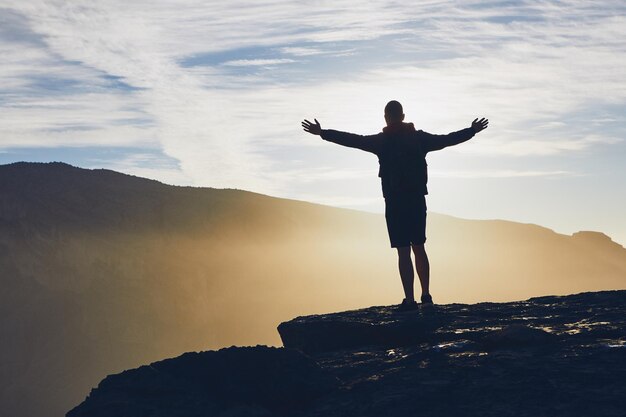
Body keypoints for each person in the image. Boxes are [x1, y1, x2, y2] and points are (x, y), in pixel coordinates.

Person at [302, 100, 488, 311]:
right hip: (417, 199)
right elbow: (446, 140)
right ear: (403, 115)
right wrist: (471, 131)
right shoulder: (419, 139)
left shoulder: (382, 142)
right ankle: (426, 296)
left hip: (394, 202)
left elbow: (352, 140)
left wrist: (323, 133)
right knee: (419, 247)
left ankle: (410, 300)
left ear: (386, 118)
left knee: (403, 251)